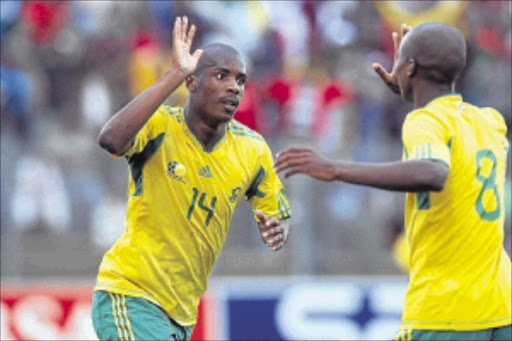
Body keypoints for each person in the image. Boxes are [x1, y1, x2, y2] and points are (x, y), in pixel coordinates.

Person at [275, 23, 511, 341]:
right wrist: (412, 87)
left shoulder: (423, 122)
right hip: (501, 305)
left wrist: (336, 169)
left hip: (447, 310)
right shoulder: (489, 121)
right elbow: (447, 130)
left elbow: (433, 172)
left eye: (400, 60)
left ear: (410, 67)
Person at [92, 16, 291, 341]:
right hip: (130, 294)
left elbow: (279, 215)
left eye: (240, 80)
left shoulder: (252, 149)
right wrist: (173, 74)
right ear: (192, 83)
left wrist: (277, 230)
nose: (233, 86)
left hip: (181, 314)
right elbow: (111, 140)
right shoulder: (160, 126)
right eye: (221, 75)